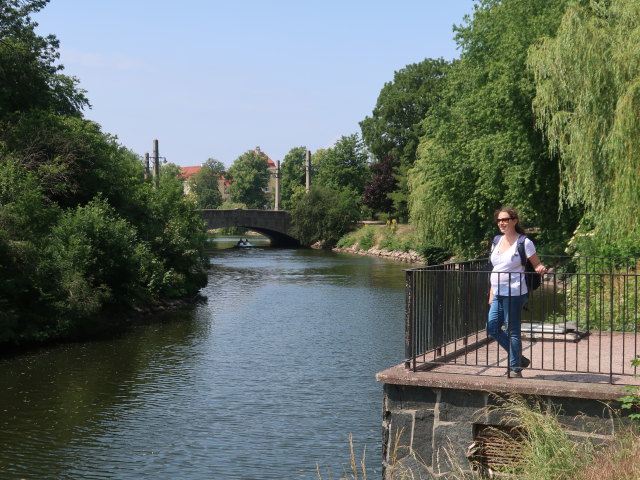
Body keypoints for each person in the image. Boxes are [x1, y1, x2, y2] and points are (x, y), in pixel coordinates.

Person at [487, 207, 547, 378]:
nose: (501, 223)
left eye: (505, 219)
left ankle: (515, 369)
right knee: (491, 327)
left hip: (514, 292)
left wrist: (541, 268)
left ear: (514, 221)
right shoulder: (496, 240)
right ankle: (519, 359)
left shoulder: (524, 242)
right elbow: (495, 268)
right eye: (499, 220)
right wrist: (491, 293)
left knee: (513, 330)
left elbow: (536, 264)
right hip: (498, 292)